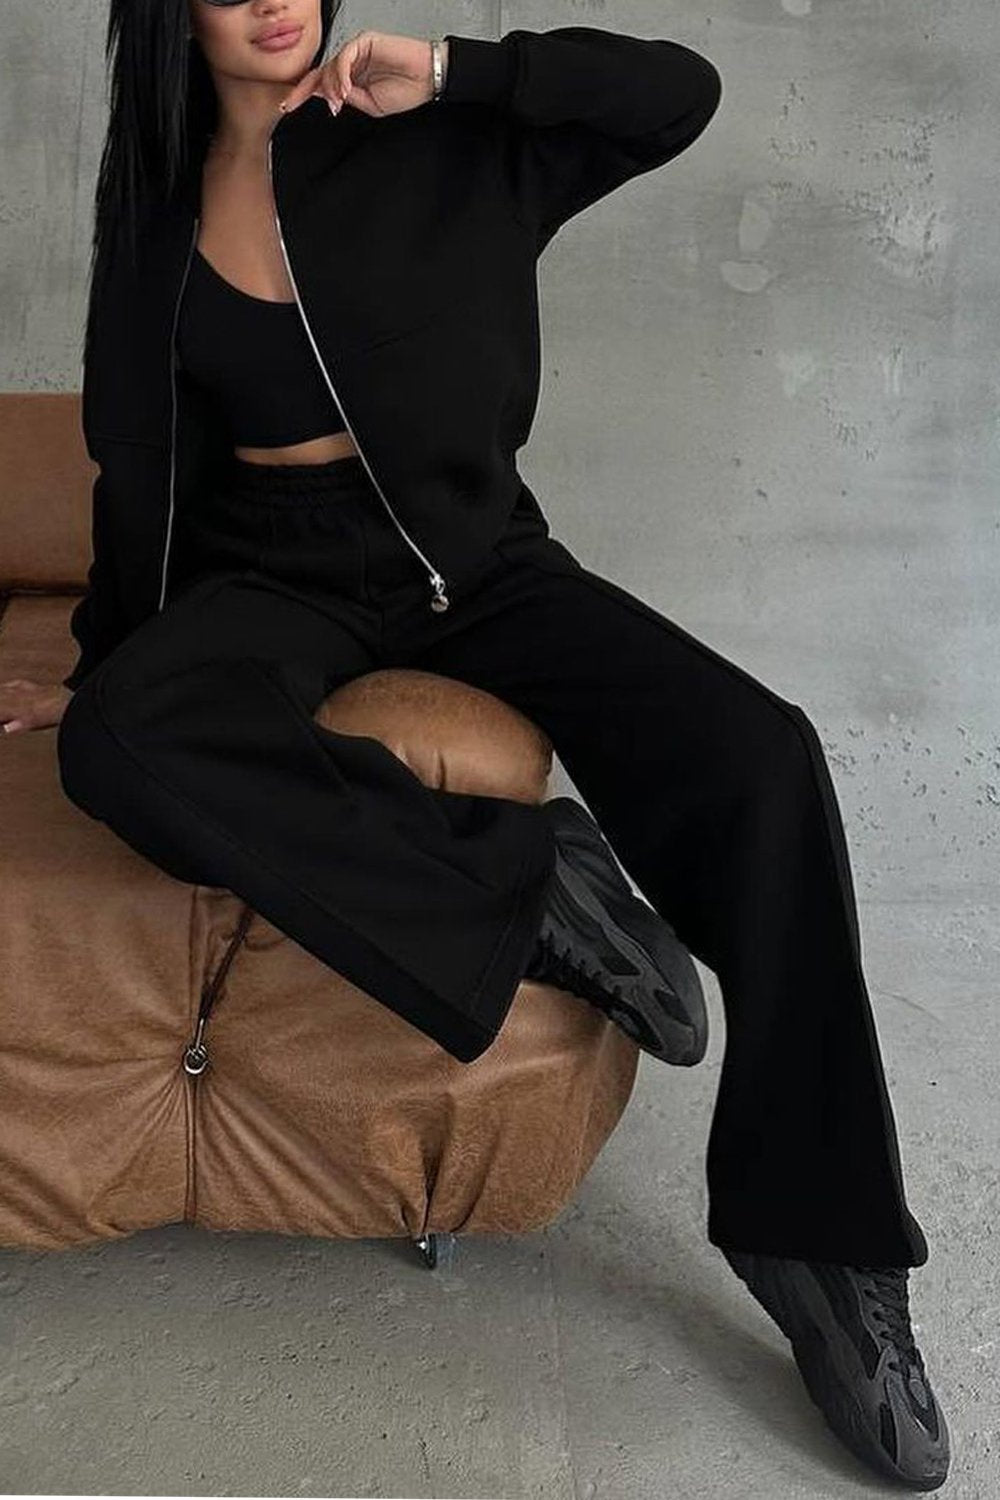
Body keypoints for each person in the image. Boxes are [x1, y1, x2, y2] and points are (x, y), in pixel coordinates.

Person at [0, 1, 949, 1488]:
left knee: (763, 757)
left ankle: (822, 1251)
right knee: (119, 739)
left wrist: (460, 72)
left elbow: (678, 94)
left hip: (477, 562)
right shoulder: (155, 215)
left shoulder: (434, 136)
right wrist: (100, 669)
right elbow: (141, 473)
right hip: (274, 574)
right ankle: (535, 886)